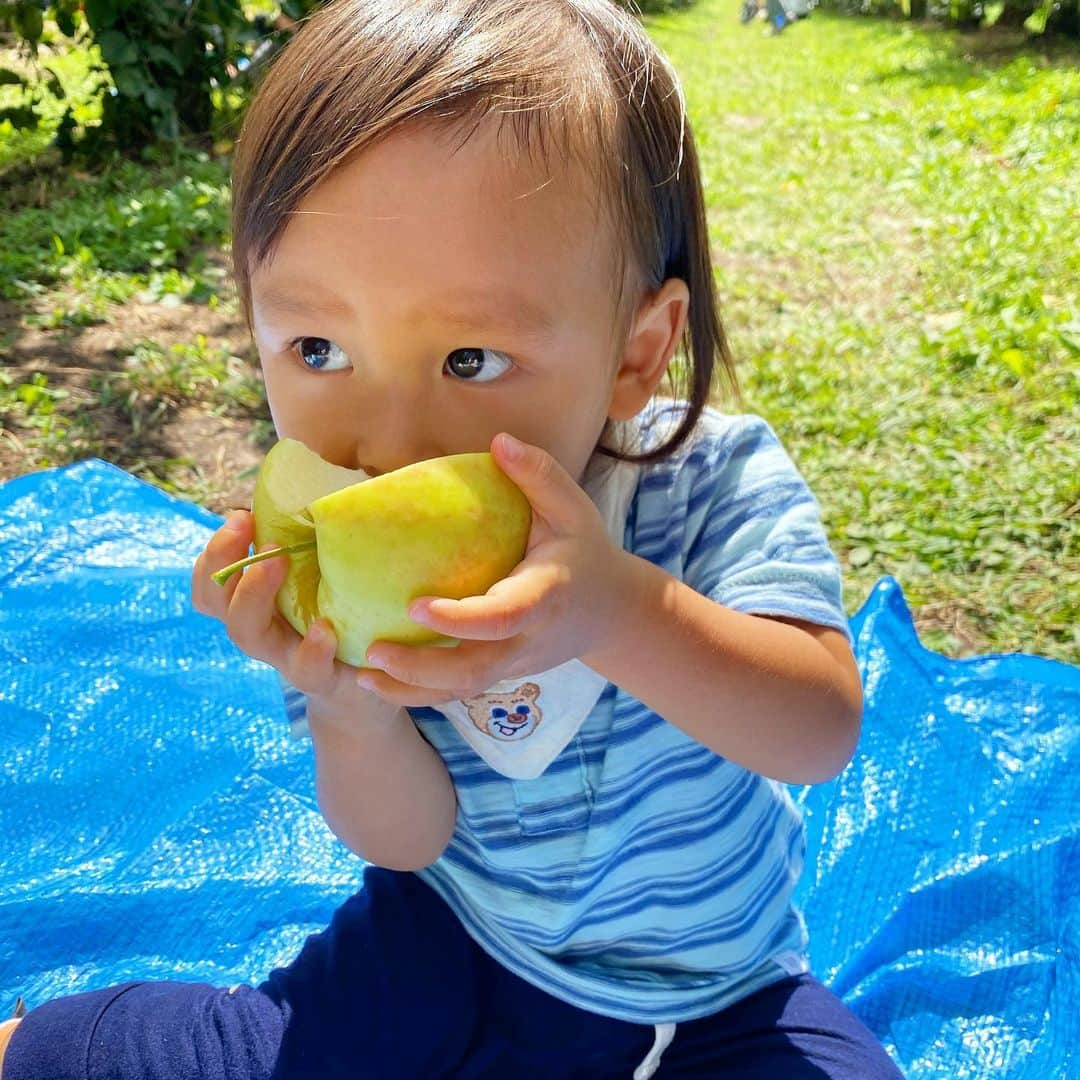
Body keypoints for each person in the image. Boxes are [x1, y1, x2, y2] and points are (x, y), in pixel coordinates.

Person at [0, 1, 904, 1076]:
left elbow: (816, 732)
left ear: (635, 350)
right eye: (319, 346)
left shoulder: (711, 483)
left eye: (469, 359)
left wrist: (616, 606)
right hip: (452, 943)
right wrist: (351, 711)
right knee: (257, 1055)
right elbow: (406, 842)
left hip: (715, 999)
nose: (387, 442)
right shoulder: (324, 556)